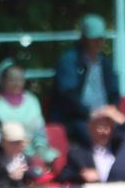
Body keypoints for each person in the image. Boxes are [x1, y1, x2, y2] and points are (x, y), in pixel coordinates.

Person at [50, 16, 121, 148]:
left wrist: (111, 109)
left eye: (100, 39)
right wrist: (90, 113)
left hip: (105, 116)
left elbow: (114, 92)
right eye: (93, 39)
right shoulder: (69, 61)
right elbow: (67, 96)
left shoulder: (106, 63)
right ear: (84, 39)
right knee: (90, 135)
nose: (98, 43)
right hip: (77, 118)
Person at [0, 64, 55, 167]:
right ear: (3, 81)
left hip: (33, 150)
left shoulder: (32, 101)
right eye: (12, 79)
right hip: (5, 154)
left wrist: (40, 149)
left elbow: (39, 131)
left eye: (20, 79)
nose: (16, 83)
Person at [64, 106, 125, 185]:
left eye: (107, 127)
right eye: (100, 127)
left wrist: (123, 121)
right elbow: (63, 176)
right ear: (90, 128)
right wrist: (82, 176)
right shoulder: (78, 154)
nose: (104, 132)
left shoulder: (121, 149)